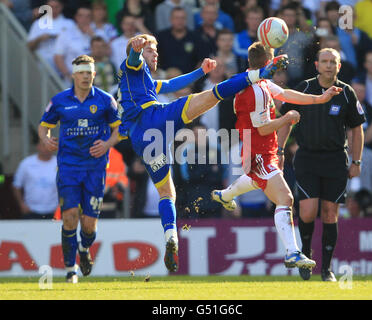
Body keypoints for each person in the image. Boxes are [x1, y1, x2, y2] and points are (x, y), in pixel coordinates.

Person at [116, 33, 289, 272]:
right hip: (154, 118)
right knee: (214, 95)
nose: (155, 52)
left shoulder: (138, 82)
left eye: (155, 49)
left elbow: (170, 85)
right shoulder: (131, 66)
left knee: (167, 193)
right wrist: (136, 48)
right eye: (150, 50)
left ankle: (170, 236)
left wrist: (200, 72)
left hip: (142, 139)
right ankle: (261, 73)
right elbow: (133, 58)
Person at [212, 41, 342, 271]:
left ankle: (225, 194)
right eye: (273, 59)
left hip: (262, 149)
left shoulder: (255, 80)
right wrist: (287, 118)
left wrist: (319, 99)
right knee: (285, 199)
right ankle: (293, 252)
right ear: (267, 61)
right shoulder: (256, 91)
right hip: (258, 151)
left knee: (256, 180)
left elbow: (284, 93)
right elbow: (262, 128)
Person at [277, 48, 366, 282]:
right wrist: (279, 149)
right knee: (307, 212)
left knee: (329, 214)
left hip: (336, 159)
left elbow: (357, 129)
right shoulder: (304, 88)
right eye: (324, 61)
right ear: (316, 65)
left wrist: (357, 161)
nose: (328, 65)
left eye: (332, 62)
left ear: (339, 66)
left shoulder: (347, 93)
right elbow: (286, 119)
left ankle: (326, 269)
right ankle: (306, 256)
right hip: (307, 157)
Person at [38, 54, 121, 283]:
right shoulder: (60, 101)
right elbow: (43, 127)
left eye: (89, 73)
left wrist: (107, 144)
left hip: (95, 168)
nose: (86, 76)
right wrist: (46, 139)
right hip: (68, 167)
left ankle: (84, 249)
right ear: (74, 75)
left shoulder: (106, 101)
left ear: (94, 74)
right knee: (69, 217)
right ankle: (69, 270)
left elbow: (119, 130)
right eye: (82, 72)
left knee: (89, 225)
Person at [12, 139, 58, 219]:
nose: (46, 148)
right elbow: (16, 186)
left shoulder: (60, 163)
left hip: (54, 211)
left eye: (49, 145)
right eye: (44, 145)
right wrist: (21, 204)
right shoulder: (26, 163)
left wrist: (61, 207)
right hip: (30, 210)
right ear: (38, 146)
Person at [27, 0, 75, 71]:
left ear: (61, 7)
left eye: (56, 7)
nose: (53, 10)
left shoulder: (70, 24)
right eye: (51, 7)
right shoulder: (38, 23)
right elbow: (29, 46)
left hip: (64, 63)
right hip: (43, 64)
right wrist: (39, 39)